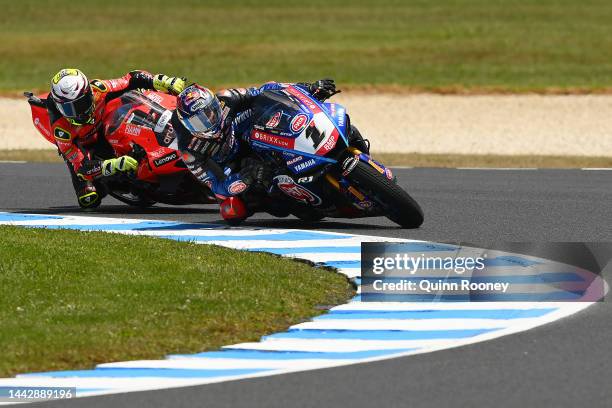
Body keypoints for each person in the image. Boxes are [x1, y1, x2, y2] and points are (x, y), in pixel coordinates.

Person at [172, 79, 369, 221]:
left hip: (254, 134)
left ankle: (350, 151)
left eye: (209, 113)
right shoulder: (189, 149)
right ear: (186, 123)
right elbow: (214, 185)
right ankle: (306, 201)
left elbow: (267, 90)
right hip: (237, 166)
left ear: (215, 103)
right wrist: (242, 179)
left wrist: (309, 87)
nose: (208, 121)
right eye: (198, 121)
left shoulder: (227, 98)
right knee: (234, 211)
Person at [47, 68, 186, 208]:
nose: (78, 113)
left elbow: (131, 79)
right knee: (89, 197)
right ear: (59, 107)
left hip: (108, 123)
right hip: (85, 144)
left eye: (81, 104)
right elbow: (81, 168)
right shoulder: (61, 130)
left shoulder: (99, 89)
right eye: (69, 109)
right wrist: (114, 164)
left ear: (89, 92)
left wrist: (160, 80)